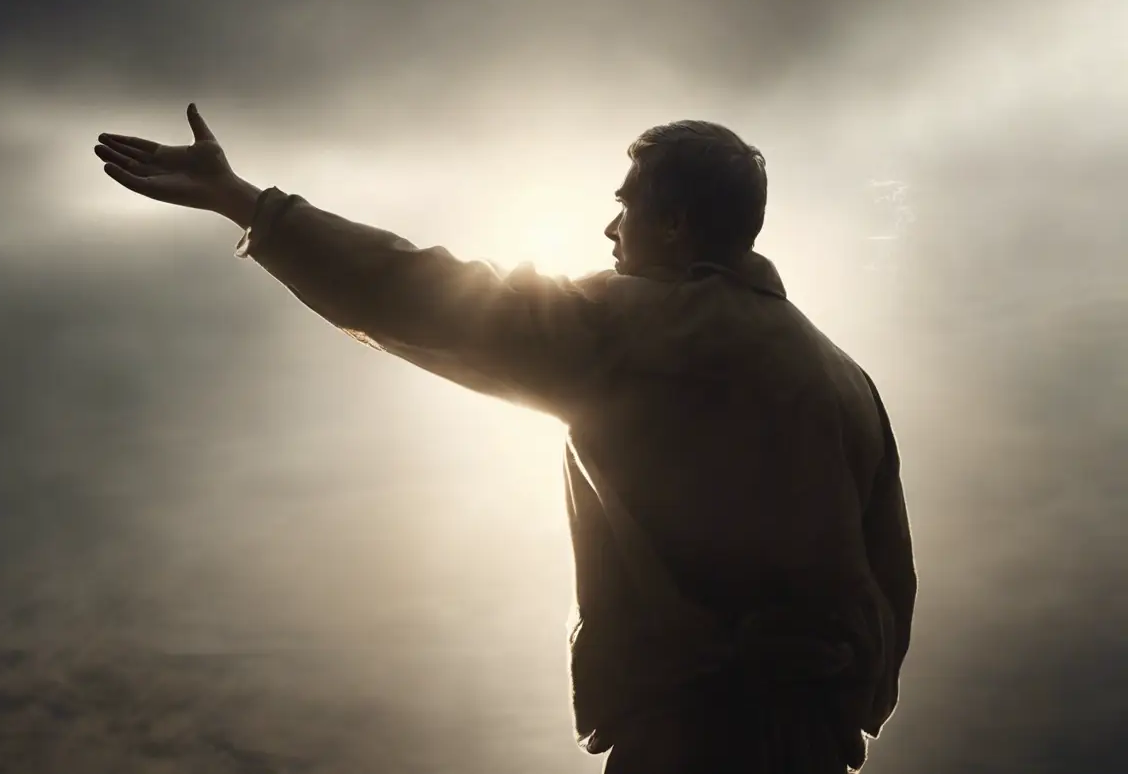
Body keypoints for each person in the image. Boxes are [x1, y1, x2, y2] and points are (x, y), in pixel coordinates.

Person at [94, 105, 917, 773]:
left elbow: (422, 293)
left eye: (627, 204)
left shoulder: (637, 327)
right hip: (815, 745)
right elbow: (892, 584)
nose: (610, 228)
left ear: (673, 223)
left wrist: (245, 202)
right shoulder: (848, 382)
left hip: (693, 738)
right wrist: (831, 713)